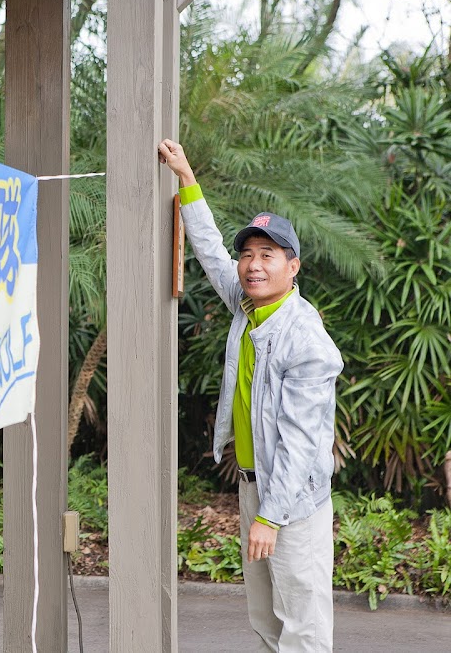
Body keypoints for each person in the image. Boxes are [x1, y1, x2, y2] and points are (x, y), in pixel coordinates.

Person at [159, 139, 343, 652]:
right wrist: (186, 178)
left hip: (293, 502)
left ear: (294, 267)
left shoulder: (305, 341)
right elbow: (212, 253)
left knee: (302, 625)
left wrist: (271, 516)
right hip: (252, 487)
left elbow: (302, 441)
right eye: (248, 255)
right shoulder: (248, 307)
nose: (252, 265)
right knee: (265, 620)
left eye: (268, 255)